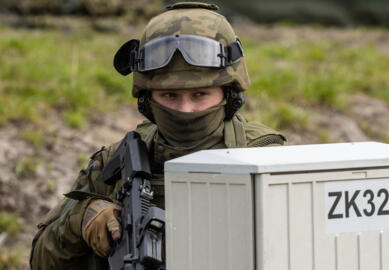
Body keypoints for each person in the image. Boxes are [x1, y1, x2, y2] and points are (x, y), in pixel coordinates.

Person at [29, 2, 286, 269]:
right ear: (148, 99)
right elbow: (40, 260)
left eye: (200, 95)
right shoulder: (114, 164)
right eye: (169, 96)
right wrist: (81, 220)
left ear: (228, 93)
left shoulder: (264, 158)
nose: (185, 109)